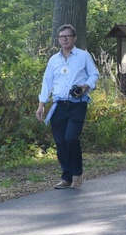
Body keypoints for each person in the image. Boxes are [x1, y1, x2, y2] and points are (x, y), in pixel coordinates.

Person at [36, 24, 99, 189]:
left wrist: (86, 86)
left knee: (70, 139)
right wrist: (41, 104)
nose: (64, 39)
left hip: (77, 104)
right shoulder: (53, 59)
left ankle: (77, 173)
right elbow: (47, 82)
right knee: (60, 142)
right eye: (61, 36)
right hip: (59, 105)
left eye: (68, 36)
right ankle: (66, 177)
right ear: (58, 39)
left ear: (74, 38)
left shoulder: (83, 56)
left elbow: (94, 74)